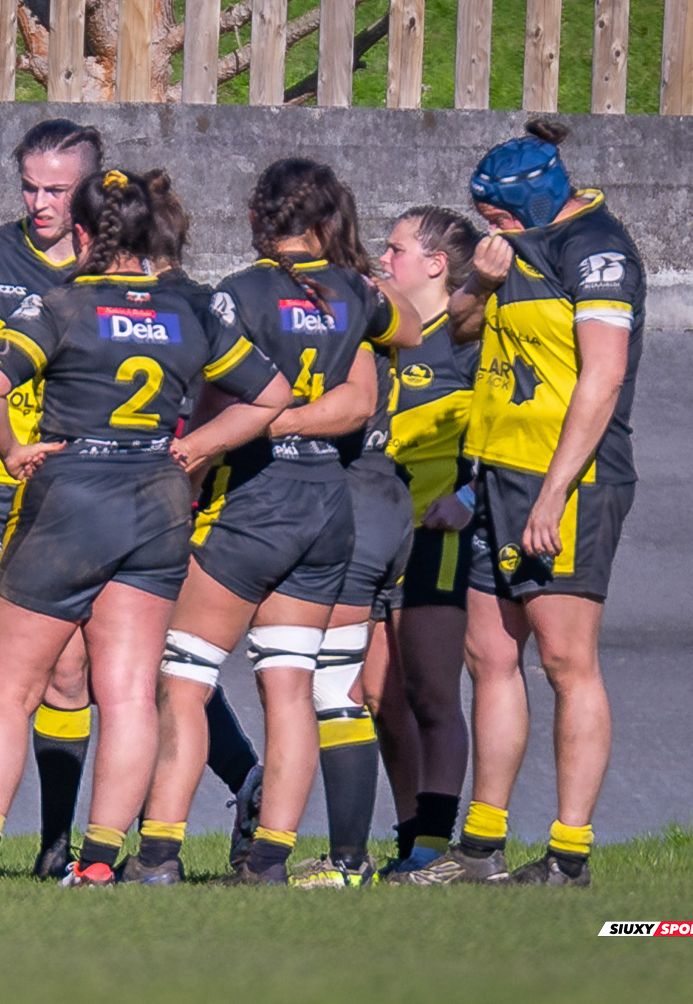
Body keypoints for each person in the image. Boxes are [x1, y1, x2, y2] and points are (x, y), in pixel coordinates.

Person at [0, 169, 288, 888]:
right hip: (155, 497)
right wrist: (198, 446)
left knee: (4, 686)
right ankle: (95, 863)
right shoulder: (196, 305)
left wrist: (11, 450)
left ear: (84, 234)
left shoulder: (62, 303)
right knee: (125, 692)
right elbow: (271, 394)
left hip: (72, 496)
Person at [139, 157, 420, 886]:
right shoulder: (356, 293)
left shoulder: (240, 292)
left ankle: (159, 852)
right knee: (291, 684)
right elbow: (413, 328)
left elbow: (214, 402)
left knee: (184, 679)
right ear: (327, 220)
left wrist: (191, 464)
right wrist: (356, 281)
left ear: (259, 218)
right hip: (328, 502)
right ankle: (270, 859)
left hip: (255, 503)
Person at [393, 120, 644, 888]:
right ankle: (481, 846)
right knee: (489, 657)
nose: (486, 231)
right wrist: (481, 283)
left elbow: (600, 381)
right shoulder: (507, 255)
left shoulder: (596, 251)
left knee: (567, 661)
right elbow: (465, 332)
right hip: (494, 481)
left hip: (567, 483)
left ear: (533, 200)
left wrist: (554, 493)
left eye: (495, 216)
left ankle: (569, 855)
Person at [0, 120, 99, 877]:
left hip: (72, 490)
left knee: (68, 673)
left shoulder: (113, 260)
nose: (40, 202)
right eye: (29, 186)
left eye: (57, 189)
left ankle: (57, 841)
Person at [284, 196, 419, 889]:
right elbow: (415, 327)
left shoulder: (330, 304)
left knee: (331, 684)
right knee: (358, 686)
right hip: (386, 500)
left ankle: (346, 862)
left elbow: (355, 397)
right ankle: (366, 854)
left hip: (349, 500)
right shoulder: (370, 298)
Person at [365, 206, 482, 877]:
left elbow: (503, 434)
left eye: (397, 248)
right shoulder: (382, 330)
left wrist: (467, 498)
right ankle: (410, 838)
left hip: (432, 534)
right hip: (372, 527)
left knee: (432, 692)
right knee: (378, 696)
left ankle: (436, 843)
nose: (385, 258)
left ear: (437, 264)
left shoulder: (468, 340)